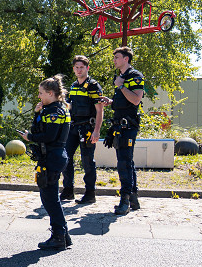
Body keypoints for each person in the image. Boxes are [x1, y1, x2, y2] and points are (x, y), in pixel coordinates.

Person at [21, 76, 72, 250]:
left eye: (41, 93)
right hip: (53, 156)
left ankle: (58, 236)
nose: (39, 96)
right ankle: (64, 235)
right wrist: (36, 113)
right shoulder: (50, 109)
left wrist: (30, 138)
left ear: (51, 93)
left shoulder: (54, 111)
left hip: (53, 155)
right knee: (50, 197)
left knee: (49, 198)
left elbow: (49, 136)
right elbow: (38, 128)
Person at [99, 46, 145, 215]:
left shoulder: (134, 76)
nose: (114, 60)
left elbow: (135, 100)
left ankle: (124, 200)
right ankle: (133, 199)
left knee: (124, 163)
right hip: (119, 125)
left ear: (126, 58)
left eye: (117, 57)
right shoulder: (121, 77)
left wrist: (122, 87)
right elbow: (125, 102)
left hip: (128, 126)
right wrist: (111, 101)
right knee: (127, 162)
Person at [62, 55, 105, 205]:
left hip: (87, 127)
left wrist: (97, 131)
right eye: (76, 67)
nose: (79, 70)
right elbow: (69, 106)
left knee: (87, 161)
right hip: (73, 127)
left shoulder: (93, 85)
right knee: (65, 158)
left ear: (87, 68)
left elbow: (100, 110)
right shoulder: (74, 86)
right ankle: (68, 190)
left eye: (82, 67)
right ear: (73, 69)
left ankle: (90, 193)